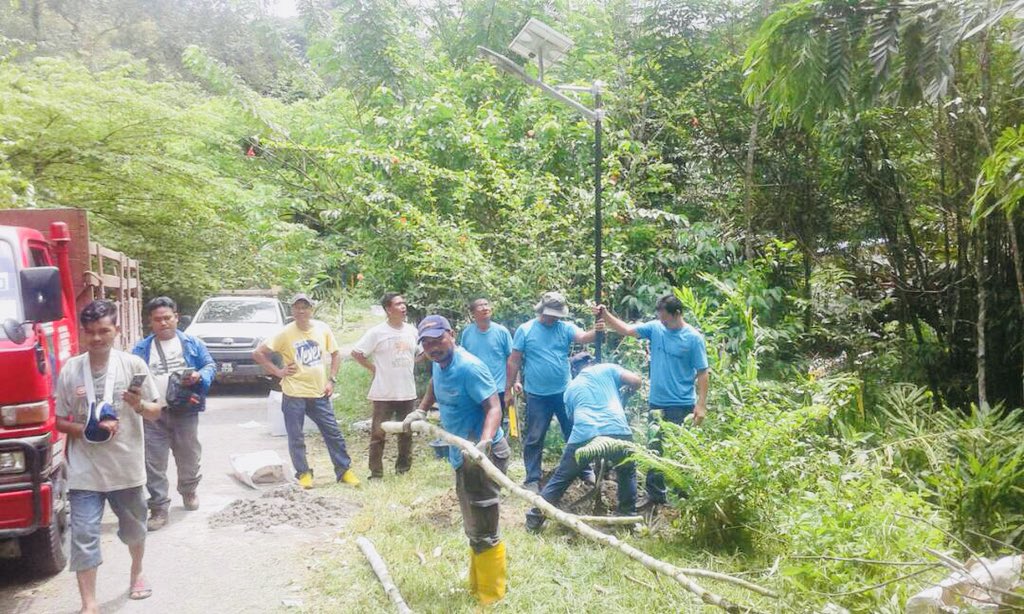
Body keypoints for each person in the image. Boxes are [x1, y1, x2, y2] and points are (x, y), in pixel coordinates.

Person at [55, 299, 162, 611]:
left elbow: (156, 411)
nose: (97, 338)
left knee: (134, 529)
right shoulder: (72, 370)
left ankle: (137, 571)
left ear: (117, 330)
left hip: (126, 468)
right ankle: (89, 603)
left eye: (104, 331)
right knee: (84, 535)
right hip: (84, 472)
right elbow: (59, 420)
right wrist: (87, 429)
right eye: (90, 332)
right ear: (83, 333)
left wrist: (138, 405)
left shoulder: (133, 366)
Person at [403, 315, 509, 605]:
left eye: (438, 339)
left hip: (483, 453)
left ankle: (492, 595)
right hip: (461, 452)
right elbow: (435, 386)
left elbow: (494, 407)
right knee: (474, 522)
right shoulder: (439, 363)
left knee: (484, 520)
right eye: (426, 342)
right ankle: (479, 585)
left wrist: (484, 443)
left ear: (452, 334)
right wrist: (422, 410)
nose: (433, 347)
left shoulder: (469, 367)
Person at [595, 294, 709, 506]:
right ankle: (655, 496)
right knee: (655, 448)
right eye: (660, 318)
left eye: (666, 319)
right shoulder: (656, 328)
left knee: (679, 450)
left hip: (681, 403)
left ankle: (684, 499)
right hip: (657, 402)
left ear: (678, 314)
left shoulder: (693, 338)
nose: (663, 322)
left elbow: (703, 372)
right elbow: (627, 330)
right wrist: (606, 315)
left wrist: (701, 405)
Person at [525, 353, 643, 531]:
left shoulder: (570, 388)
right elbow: (636, 381)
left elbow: (572, 419)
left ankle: (534, 520)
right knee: (626, 472)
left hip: (584, 433)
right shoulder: (608, 369)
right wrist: (628, 394)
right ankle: (627, 519)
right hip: (617, 430)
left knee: (561, 478)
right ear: (593, 363)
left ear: (573, 370)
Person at [254, 293, 359, 488]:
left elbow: (336, 354)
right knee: (296, 436)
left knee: (333, 432)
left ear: (311, 309)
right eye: (297, 307)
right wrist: (278, 371)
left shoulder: (322, 328)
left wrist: (332, 380)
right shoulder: (285, 333)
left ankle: (344, 470)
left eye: (305, 307)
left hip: (319, 393)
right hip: (293, 393)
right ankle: (303, 473)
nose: (301, 311)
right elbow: (258, 353)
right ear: (292, 310)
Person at [130, 296, 216, 531]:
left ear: (176, 318)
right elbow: (132, 376)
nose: (163, 323)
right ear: (151, 322)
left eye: (168, 318)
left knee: (189, 455)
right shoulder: (141, 348)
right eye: (158, 319)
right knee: (153, 461)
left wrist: (200, 376)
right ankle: (158, 508)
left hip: (185, 409)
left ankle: (189, 490)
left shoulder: (192, 343)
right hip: (153, 412)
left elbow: (210, 365)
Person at [506, 291, 603, 493]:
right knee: (535, 436)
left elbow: (585, 337)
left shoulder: (565, 328)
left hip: (565, 392)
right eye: (551, 314)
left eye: (557, 315)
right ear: (542, 310)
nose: (554, 318)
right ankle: (532, 477)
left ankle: (584, 469)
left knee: (575, 430)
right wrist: (508, 388)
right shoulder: (526, 330)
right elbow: (514, 359)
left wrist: (600, 329)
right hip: (537, 394)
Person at [351, 292, 420, 480]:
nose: (403, 307)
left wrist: (414, 363)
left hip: (407, 391)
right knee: (378, 434)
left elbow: (421, 353)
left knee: (406, 432)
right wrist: (373, 369)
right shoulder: (377, 332)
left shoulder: (412, 331)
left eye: (404, 303)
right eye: (398, 304)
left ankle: (403, 470)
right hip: (383, 392)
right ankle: (376, 473)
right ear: (388, 309)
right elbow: (357, 353)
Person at [459, 298, 513, 430]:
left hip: (497, 388)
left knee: (495, 427)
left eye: (486, 305)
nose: (484, 308)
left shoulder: (501, 331)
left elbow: (512, 359)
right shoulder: (467, 333)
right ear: (473, 314)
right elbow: (462, 359)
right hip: (474, 388)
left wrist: (512, 386)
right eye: (480, 306)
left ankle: (494, 450)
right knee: (474, 425)